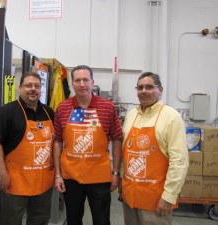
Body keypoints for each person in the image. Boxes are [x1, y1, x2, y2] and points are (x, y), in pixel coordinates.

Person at [53, 65, 123, 225]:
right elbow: (57, 141)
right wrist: (58, 175)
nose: (82, 84)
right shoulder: (63, 108)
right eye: (78, 80)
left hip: (99, 176)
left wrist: (116, 173)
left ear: (92, 82)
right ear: (72, 83)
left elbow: (117, 139)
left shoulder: (107, 107)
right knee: (73, 219)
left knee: (101, 220)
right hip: (71, 177)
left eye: (86, 80)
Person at [0, 72, 55, 225]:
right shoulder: (7, 112)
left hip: (43, 181)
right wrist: (2, 173)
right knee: (12, 221)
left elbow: (56, 143)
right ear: (19, 88)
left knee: (40, 220)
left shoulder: (49, 112)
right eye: (28, 85)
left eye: (37, 86)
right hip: (16, 182)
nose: (33, 89)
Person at [121, 72, 189, 225]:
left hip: (156, 199)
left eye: (149, 87)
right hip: (130, 195)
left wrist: (169, 196)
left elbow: (179, 162)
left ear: (161, 90)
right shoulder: (131, 115)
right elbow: (126, 153)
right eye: (140, 88)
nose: (143, 91)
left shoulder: (171, 117)